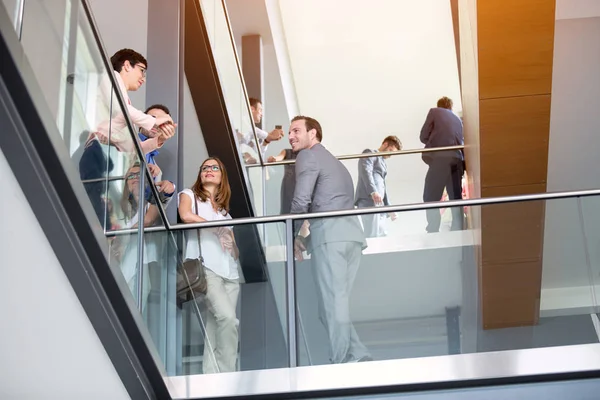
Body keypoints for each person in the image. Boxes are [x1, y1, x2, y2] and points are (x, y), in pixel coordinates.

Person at [289, 116, 371, 364]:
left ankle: (339, 362)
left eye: (296, 131)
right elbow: (333, 204)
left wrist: (291, 233)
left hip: (331, 239)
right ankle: (358, 352)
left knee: (332, 305)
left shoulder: (307, 156)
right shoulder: (336, 164)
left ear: (312, 133)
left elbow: (301, 200)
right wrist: (311, 237)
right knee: (334, 307)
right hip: (351, 238)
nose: (290, 136)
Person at [80, 48, 173, 229]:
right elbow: (123, 111)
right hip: (97, 150)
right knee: (93, 212)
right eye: (142, 70)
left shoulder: (123, 98)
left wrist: (159, 140)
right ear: (127, 65)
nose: (143, 78)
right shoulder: (111, 78)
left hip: (108, 155)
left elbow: (131, 146)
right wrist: (155, 121)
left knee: (101, 212)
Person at [178, 158, 241, 374]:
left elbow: (236, 252)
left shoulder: (225, 213)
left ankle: (211, 378)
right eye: (205, 167)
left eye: (214, 168)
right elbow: (185, 216)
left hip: (230, 275)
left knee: (216, 326)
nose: (209, 170)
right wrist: (217, 229)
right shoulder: (189, 195)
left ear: (222, 175)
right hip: (207, 269)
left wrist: (230, 241)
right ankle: (227, 374)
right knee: (228, 319)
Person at [110, 162, 175, 309]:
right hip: (121, 268)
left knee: (133, 310)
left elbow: (162, 199)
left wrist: (161, 179)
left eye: (139, 175)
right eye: (130, 176)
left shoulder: (149, 204)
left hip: (142, 266)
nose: (134, 178)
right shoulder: (123, 210)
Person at [420, 96, 464, 233]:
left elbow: (423, 136)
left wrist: (433, 138)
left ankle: (433, 229)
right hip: (457, 159)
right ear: (450, 107)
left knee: (430, 195)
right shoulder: (458, 120)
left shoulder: (434, 112)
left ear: (439, 106)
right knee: (455, 197)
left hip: (440, 158)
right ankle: (458, 228)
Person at [354, 136, 402, 238]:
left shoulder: (383, 163)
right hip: (369, 199)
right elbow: (366, 172)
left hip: (379, 203)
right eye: (390, 151)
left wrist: (389, 208)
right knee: (371, 233)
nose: (390, 155)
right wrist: (373, 191)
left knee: (380, 233)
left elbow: (383, 186)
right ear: (385, 144)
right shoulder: (370, 153)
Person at [268, 148, 298, 214]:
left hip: (303, 185)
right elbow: (279, 157)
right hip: (289, 185)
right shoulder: (287, 152)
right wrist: (274, 158)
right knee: (288, 209)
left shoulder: (310, 153)